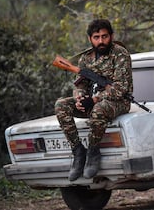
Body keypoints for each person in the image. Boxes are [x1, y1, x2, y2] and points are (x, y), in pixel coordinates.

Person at [55, 19, 133, 181]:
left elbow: (120, 89)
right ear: (90, 38)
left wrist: (95, 99)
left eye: (105, 36)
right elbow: (80, 84)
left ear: (111, 36)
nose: (101, 41)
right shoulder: (85, 58)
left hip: (118, 102)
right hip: (93, 100)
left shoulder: (120, 54)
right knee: (61, 105)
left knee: (98, 109)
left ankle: (93, 151)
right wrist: (80, 98)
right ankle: (78, 151)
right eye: (96, 37)